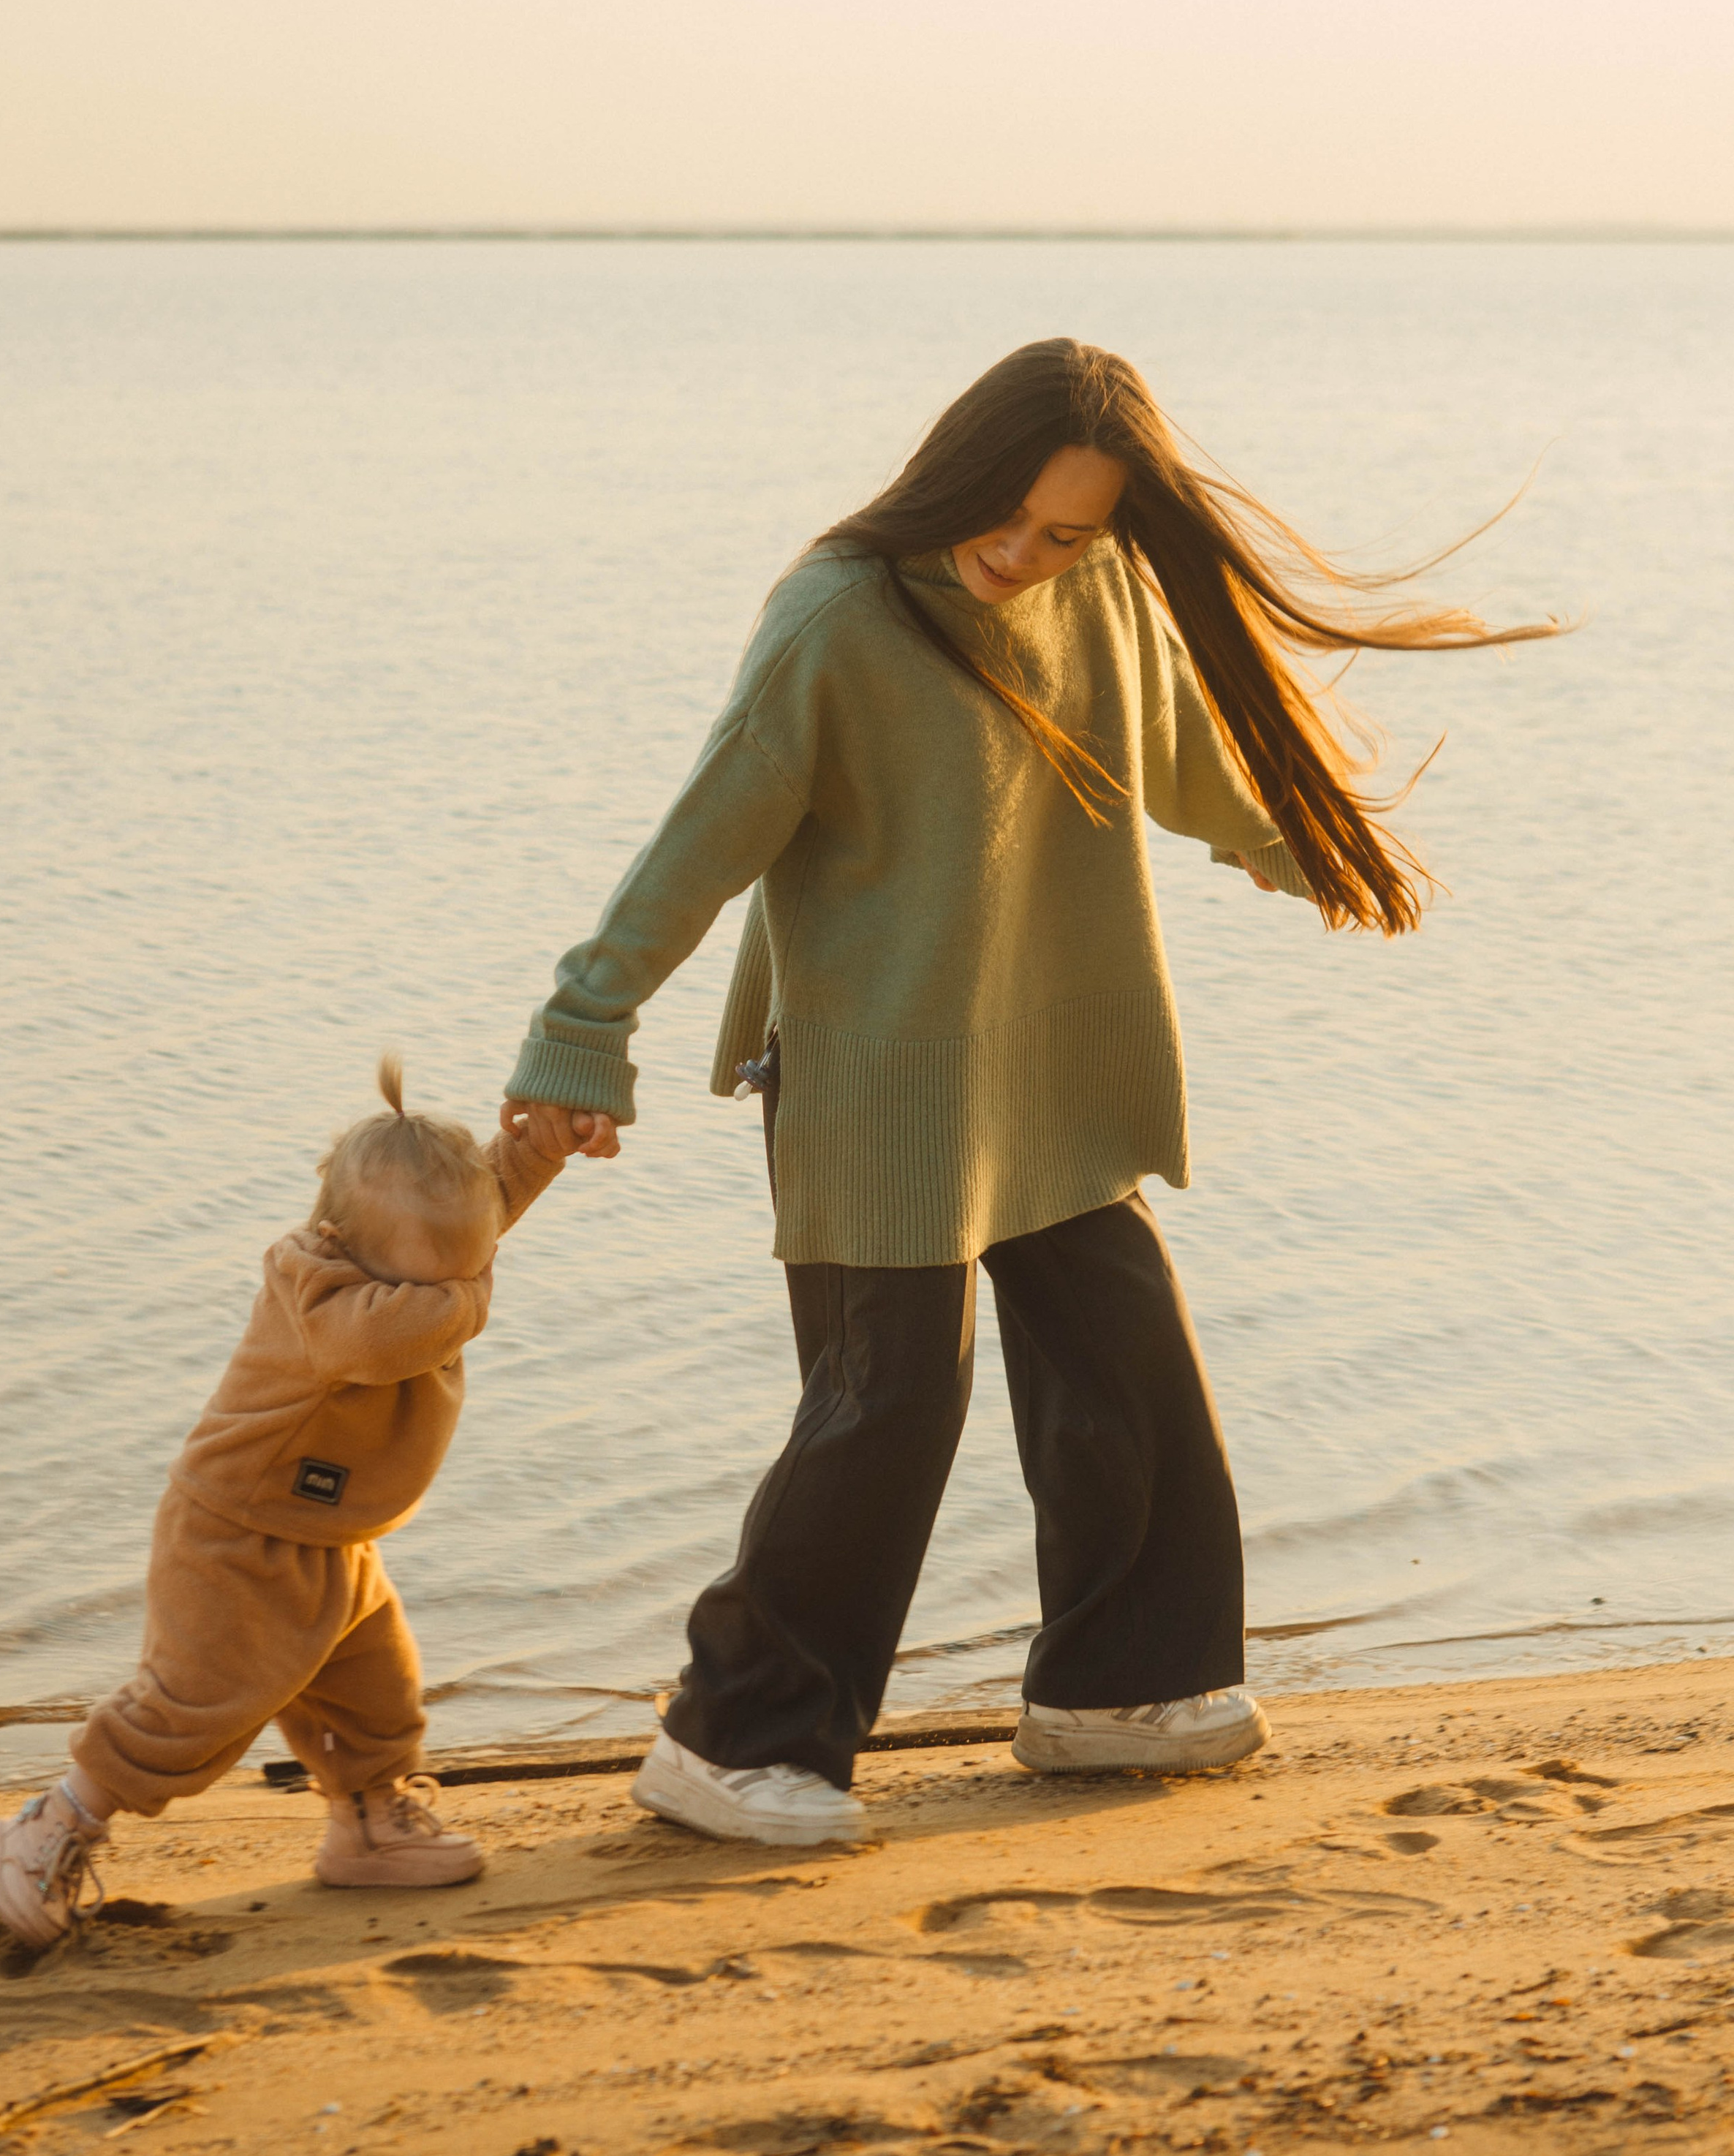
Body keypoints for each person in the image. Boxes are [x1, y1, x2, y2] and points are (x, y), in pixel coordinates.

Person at [501, 338, 1560, 1850]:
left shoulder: (1100, 587)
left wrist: (1285, 841)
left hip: (1050, 1056)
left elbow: (1171, 745)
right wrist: (580, 1025)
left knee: (1122, 1362)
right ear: (950, 476)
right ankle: (730, 1742)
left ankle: (1116, 1692)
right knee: (887, 1403)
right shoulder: (838, 617)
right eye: (1002, 519)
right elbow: (704, 833)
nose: (1020, 556)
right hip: (880, 1071)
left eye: (1064, 534)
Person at [0, 1060, 560, 1945]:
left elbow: (479, 1211)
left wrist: (550, 1137)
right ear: (342, 1240)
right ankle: (50, 1824)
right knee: (193, 1708)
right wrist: (470, 1285)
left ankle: (368, 1824)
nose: (450, 1293)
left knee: (376, 1695)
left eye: (467, 1264)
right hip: (236, 1536)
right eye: (429, 1282)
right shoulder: (327, 1299)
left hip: (332, 1536)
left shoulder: (421, 1256)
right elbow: (400, 1326)